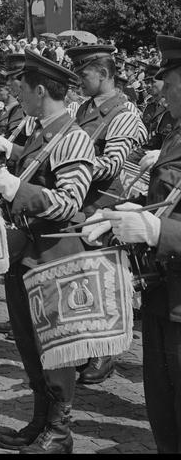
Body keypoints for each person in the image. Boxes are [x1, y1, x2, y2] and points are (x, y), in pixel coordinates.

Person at [0, 50, 96, 453]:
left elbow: (70, 202)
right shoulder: (39, 133)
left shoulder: (74, 136)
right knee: (30, 345)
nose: (18, 92)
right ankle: (40, 419)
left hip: (53, 257)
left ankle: (60, 431)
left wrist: (15, 188)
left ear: (42, 89)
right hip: (26, 253)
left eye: (24, 86)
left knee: (55, 348)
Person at [84, 34, 181, 453]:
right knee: (164, 414)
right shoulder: (177, 134)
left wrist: (158, 232)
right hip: (163, 294)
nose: (158, 88)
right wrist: (128, 209)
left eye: (168, 80)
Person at [66, 45, 147, 384]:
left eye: (84, 74)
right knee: (83, 279)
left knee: (108, 283)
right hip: (81, 203)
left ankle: (106, 353)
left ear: (104, 74)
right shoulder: (82, 108)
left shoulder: (124, 113)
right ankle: (88, 345)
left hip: (107, 205)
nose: (79, 80)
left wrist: (71, 165)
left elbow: (114, 163)